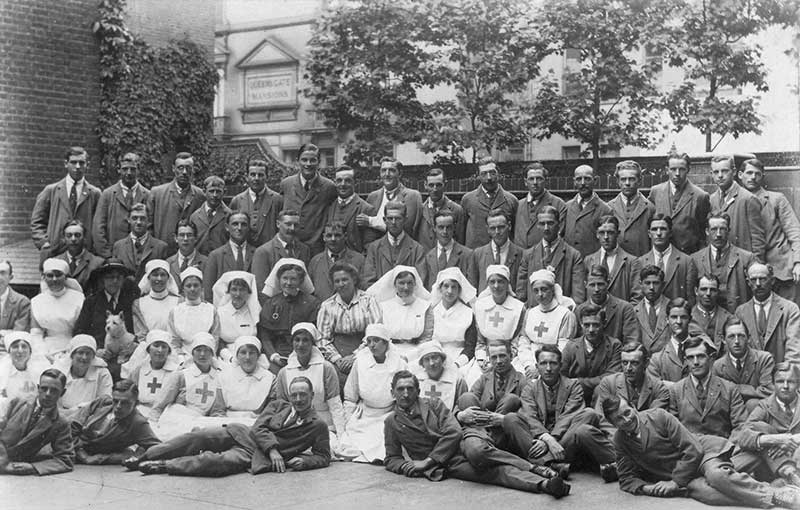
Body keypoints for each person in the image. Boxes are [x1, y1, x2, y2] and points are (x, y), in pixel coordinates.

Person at [383, 370, 571, 498]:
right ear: (393, 392)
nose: (406, 394)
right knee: (493, 474)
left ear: (417, 391)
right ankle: (545, 484)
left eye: (410, 389)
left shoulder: (433, 404)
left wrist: (428, 461)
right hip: (449, 463)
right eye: (400, 389)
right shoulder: (391, 422)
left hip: (463, 440)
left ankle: (533, 467)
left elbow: (453, 431)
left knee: (478, 452)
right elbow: (391, 458)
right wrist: (407, 466)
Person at [603, 396, 799, 508]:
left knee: (716, 475)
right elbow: (626, 477)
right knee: (706, 494)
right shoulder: (619, 441)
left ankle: (776, 496)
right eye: (619, 419)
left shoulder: (658, 416)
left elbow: (692, 449)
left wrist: (674, 482)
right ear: (613, 424)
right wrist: (647, 488)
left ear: (634, 407)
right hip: (687, 477)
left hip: (703, 455)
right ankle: (770, 487)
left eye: (627, 412)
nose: (626, 420)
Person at [128, 376, 330, 477]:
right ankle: (146, 456)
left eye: (303, 394)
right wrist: (274, 448)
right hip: (243, 434)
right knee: (198, 437)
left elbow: (324, 456)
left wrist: (306, 463)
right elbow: (259, 426)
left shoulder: (317, 425)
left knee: (217, 462)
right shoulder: (279, 405)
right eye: (294, 394)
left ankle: (163, 466)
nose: (298, 399)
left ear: (312, 396)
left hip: (256, 455)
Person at [456, 341, 565, 484]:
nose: (499, 361)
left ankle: (486, 448)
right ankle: (485, 442)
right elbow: (463, 405)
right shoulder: (484, 379)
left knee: (511, 400)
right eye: (494, 357)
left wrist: (502, 419)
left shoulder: (523, 381)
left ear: (512, 355)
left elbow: (531, 412)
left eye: (503, 356)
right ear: (489, 358)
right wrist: (460, 415)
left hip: (506, 436)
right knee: (466, 397)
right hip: (482, 433)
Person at [518, 345, 618, 481]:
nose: (548, 368)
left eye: (553, 363)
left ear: (560, 365)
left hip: (564, 441)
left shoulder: (573, 385)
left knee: (589, 413)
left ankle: (546, 463)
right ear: (537, 366)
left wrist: (553, 440)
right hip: (539, 438)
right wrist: (546, 438)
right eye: (543, 363)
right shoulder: (529, 388)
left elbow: (569, 415)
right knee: (512, 419)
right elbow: (530, 416)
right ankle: (552, 464)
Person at [338, 324, 407, 463]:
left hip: (389, 414)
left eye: (376, 340)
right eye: (369, 341)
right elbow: (350, 396)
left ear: (386, 342)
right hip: (365, 414)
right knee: (350, 443)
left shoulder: (399, 363)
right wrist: (348, 420)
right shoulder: (360, 362)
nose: (371, 345)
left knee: (385, 441)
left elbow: (405, 395)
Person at [270, 323, 346, 446]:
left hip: (323, 425)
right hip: (295, 426)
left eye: (305, 340)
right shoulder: (284, 372)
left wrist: (342, 436)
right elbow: (282, 408)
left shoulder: (326, 368)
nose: (300, 345)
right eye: (297, 340)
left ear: (312, 343)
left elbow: (335, 405)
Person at [740, 157, 800, 301]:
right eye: (748, 173)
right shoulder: (737, 202)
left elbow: (794, 232)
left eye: (757, 174)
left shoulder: (776, 199)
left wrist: (798, 262)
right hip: (752, 272)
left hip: (781, 270)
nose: (753, 177)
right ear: (740, 175)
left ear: (762, 176)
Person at [316, 261, 383, 385]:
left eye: (345, 279)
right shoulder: (327, 306)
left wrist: (355, 357)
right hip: (337, 354)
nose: (341, 284)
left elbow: (375, 331)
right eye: (337, 281)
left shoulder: (368, 300)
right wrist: (337, 360)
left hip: (366, 350)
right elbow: (322, 338)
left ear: (354, 279)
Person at [734, 362, 800, 487]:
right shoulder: (764, 405)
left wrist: (794, 439)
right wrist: (776, 440)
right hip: (770, 467)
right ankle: (788, 474)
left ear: (798, 383)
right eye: (780, 381)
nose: (785, 386)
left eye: (790, 382)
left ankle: (785, 482)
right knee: (760, 427)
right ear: (773, 384)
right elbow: (743, 435)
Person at [31, 146, 102, 261]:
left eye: (81, 163)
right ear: (66, 163)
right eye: (73, 162)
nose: (77, 167)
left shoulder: (94, 193)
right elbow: (37, 222)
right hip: (55, 251)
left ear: (87, 165)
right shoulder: (51, 191)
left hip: (84, 254)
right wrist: (44, 243)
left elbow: (100, 224)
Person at [671, 335, 748, 440]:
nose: (696, 362)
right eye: (690, 358)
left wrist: (727, 447)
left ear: (711, 358)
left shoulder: (729, 389)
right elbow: (672, 429)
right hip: (689, 451)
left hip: (722, 450)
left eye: (701, 356)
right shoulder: (676, 390)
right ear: (685, 361)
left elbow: (741, 425)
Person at [0, 368, 74, 475]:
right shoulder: (17, 403)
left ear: (63, 392)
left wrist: (33, 467)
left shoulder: (61, 423)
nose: (48, 394)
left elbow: (66, 459)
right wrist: (3, 461)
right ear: (38, 388)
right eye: (44, 388)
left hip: (16, 467)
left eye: (54, 390)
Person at [70, 379, 160, 465]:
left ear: (136, 403)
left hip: (78, 454)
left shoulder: (138, 423)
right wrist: (83, 456)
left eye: (125, 403)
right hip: (67, 444)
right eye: (115, 401)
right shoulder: (102, 402)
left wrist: (135, 455)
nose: (118, 406)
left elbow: (157, 448)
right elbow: (71, 426)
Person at [258, 259, 320, 373]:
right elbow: (265, 335)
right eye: (285, 278)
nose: (288, 283)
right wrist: (273, 355)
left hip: (305, 352)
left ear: (301, 281)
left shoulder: (311, 303)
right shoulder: (271, 303)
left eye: (293, 279)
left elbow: (314, 335)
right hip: (278, 352)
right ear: (279, 280)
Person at [516, 206, 585, 306]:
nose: (546, 228)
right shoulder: (528, 255)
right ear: (537, 226)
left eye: (550, 223)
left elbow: (578, 297)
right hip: (535, 315)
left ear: (559, 225)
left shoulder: (573, 256)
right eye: (542, 224)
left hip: (562, 314)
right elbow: (521, 294)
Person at [150, 332, 225, 423]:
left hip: (200, 421)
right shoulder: (181, 375)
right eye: (198, 350)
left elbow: (217, 411)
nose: (202, 354)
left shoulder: (218, 378)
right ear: (192, 353)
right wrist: (153, 424)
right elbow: (159, 405)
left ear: (212, 353)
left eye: (206, 350)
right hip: (175, 418)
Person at [735, 263, 800, 365]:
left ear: (772, 281)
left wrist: (783, 376)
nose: (758, 284)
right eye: (753, 280)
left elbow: (794, 353)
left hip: (781, 374)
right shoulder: (741, 312)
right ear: (748, 282)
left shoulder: (790, 310)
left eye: (762, 279)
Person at [648, 151, 711, 255]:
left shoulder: (700, 196)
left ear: (688, 170)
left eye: (681, 169)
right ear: (667, 170)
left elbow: (703, 232)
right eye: (673, 169)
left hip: (688, 255)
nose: (677, 173)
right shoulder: (656, 192)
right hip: (661, 253)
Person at [367, 266, 433, 364]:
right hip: (387, 353)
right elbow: (377, 334)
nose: (406, 287)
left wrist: (409, 356)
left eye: (409, 283)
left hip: (417, 354)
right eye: (401, 283)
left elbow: (426, 338)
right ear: (394, 284)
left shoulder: (425, 306)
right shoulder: (384, 307)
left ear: (415, 284)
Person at [691, 213, 756, 312]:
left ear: (729, 231)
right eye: (714, 229)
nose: (718, 234)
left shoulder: (746, 258)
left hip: (735, 317)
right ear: (707, 231)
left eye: (722, 229)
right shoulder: (695, 259)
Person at [280, 143, 338, 254]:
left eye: (313, 160)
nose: (308, 164)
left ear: (319, 162)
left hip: (316, 249)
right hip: (291, 247)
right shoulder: (286, 184)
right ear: (298, 161)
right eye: (304, 160)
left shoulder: (329, 187)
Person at [561, 304, 623, 406]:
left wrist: (578, 382)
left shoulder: (614, 346)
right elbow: (562, 375)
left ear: (604, 323)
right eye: (586, 325)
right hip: (575, 398)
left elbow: (611, 377)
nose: (591, 330)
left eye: (595, 325)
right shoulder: (571, 346)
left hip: (605, 399)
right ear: (580, 324)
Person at [631, 213, 698, 306]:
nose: (658, 233)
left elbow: (691, 298)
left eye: (663, 229)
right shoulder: (641, 262)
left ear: (670, 233)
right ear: (649, 234)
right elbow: (637, 299)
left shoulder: (686, 262)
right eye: (654, 229)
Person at [709, 154, 766, 263]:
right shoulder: (711, 199)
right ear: (711, 174)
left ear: (734, 172)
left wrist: (755, 266)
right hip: (719, 262)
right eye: (716, 172)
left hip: (742, 262)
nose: (720, 175)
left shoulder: (748, 199)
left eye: (725, 171)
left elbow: (757, 239)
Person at [146, 152, 206, 255]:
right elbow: (148, 227)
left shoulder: (200, 195)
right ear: (173, 168)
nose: (184, 172)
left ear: (193, 169)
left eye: (188, 168)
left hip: (191, 255)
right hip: (163, 253)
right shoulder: (157, 193)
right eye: (180, 168)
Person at [93, 152, 150, 257]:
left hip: (139, 255)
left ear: (139, 171)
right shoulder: (108, 194)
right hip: (113, 254)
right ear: (119, 169)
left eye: (133, 169)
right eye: (125, 169)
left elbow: (151, 227)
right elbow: (98, 228)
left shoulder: (147, 195)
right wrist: (107, 255)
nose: (128, 173)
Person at [712, 317, 774, 413]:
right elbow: (717, 396)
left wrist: (736, 389)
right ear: (723, 340)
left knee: (752, 403)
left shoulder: (764, 359)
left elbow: (768, 391)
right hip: (730, 415)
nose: (736, 341)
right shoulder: (718, 366)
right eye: (731, 336)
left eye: (741, 336)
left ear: (748, 338)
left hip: (758, 414)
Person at [73, 258, 138, 348]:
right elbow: (79, 332)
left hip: (126, 353)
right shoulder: (91, 302)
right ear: (103, 279)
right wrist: (95, 350)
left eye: (119, 277)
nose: (115, 281)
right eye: (110, 277)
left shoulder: (131, 301)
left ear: (123, 279)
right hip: (98, 354)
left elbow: (138, 331)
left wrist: (133, 347)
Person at [519, 269, 577, 368]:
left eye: (544, 289)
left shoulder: (565, 314)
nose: (540, 294)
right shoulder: (530, 313)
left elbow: (564, 347)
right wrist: (528, 364)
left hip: (552, 364)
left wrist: (541, 367)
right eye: (536, 290)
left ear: (553, 290)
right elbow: (524, 341)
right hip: (529, 361)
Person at [472, 265, 525, 373]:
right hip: (486, 356)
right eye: (492, 282)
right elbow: (480, 341)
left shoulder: (518, 308)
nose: (496, 286)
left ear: (507, 283)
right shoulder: (480, 306)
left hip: (511, 357)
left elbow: (516, 341)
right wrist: (482, 360)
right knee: (473, 377)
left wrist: (502, 360)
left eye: (500, 281)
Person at [362, 200, 427, 288]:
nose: (393, 222)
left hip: (408, 298)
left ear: (405, 220)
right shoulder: (374, 248)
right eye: (390, 218)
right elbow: (368, 281)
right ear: (384, 220)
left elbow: (419, 282)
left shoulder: (417, 249)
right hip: (380, 299)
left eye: (398, 218)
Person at [593, 341, 670, 414]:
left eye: (634, 363)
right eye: (625, 363)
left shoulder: (658, 388)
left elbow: (656, 419)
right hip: (614, 428)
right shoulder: (609, 384)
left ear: (646, 363)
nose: (628, 368)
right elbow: (602, 418)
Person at [460, 155, 519, 249]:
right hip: (476, 255)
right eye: (484, 174)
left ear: (499, 174)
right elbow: (461, 232)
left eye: (492, 173)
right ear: (478, 176)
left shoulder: (511, 200)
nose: (489, 178)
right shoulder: (468, 200)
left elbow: (516, 232)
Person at [30, 258, 85, 358]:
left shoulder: (78, 298)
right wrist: (43, 353)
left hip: (72, 347)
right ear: (44, 278)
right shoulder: (36, 301)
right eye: (50, 276)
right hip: (45, 348)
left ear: (65, 277)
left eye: (58, 275)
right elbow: (36, 334)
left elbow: (81, 331)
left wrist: (71, 351)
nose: (54, 279)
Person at [362, 156, 423, 244]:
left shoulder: (412, 196)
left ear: (400, 173)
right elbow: (367, 232)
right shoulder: (372, 197)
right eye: (383, 170)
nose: (387, 174)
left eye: (391, 170)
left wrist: (371, 221)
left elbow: (406, 226)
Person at [574, 264, 640, 344]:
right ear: (585, 285)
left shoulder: (624, 309)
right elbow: (577, 343)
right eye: (592, 285)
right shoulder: (579, 310)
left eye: (600, 284)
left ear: (608, 283)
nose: (596, 289)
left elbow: (631, 340)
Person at [429, 267, 478, 374]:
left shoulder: (468, 313)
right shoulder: (432, 312)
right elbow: (427, 340)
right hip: (434, 356)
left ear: (459, 290)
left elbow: (470, 346)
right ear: (440, 288)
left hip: (461, 358)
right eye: (446, 286)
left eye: (454, 287)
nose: (449, 291)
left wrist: (457, 364)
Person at [252, 208, 311, 295]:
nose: (292, 228)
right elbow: (260, 288)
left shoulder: (304, 249)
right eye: (288, 224)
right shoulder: (263, 251)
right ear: (278, 224)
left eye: (296, 225)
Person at [54, 335, 113, 420]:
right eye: (80, 352)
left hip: (89, 418)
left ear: (93, 356)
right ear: (72, 355)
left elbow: (104, 402)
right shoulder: (60, 371)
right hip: (60, 417)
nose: (84, 357)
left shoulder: (102, 373)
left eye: (88, 353)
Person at [228, 158, 283, 247]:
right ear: (247, 177)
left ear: (267, 177)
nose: (256, 178)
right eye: (253, 175)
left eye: (260, 175)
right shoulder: (237, 200)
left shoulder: (277, 200)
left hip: (269, 252)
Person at [168, 267, 220, 361]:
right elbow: (174, 340)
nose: (192, 289)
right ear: (183, 289)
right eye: (188, 286)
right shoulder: (175, 311)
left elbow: (215, 338)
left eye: (196, 285)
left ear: (202, 288)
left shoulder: (211, 309)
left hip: (207, 356)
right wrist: (181, 358)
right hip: (182, 357)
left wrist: (206, 356)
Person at [202, 211, 256, 301]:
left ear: (248, 227)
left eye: (243, 224)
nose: (239, 228)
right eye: (235, 224)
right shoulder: (215, 256)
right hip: (223, 309)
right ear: (227, 227)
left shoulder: (257, 253)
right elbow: (208, 291)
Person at [120, 330, 179, 412]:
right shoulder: (139, 369)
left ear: (169, 351)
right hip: (140, 410)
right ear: (148, 349)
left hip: (166, 412)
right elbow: (129, 392)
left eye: (164, 347)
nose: (160, 350)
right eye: (156, 346)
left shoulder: (176, 372)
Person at [513, 162, 567, 250]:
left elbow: (560, 236)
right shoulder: (517, 205)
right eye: (531, 179)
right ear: (525, 182)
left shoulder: (558, 204)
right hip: (520, 259)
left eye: (539, 179)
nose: (535, 182)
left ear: (546, 180)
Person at [607, 160, 655, 257]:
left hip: (641, 261)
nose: (627, 183)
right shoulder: (609, 207)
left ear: (639, 180)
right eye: (623, 179)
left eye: (632, 179)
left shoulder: (650, 208)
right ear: (618, 181)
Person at [470, 209, 524, 294]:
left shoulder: (521, 254)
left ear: (509, 226)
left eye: (501, 227)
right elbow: (472, 286)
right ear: (487, 229)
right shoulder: (478, 254)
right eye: (492, 228)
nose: (497, 232)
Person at [307, 222, 365, 301]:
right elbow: (310, 291)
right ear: (324, 237)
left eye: (337, 235)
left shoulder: (359, 260)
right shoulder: (315, 261)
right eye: (329, 235)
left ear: (345, 236)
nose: (333, 239)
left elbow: (363, 288)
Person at [218, 336, 275, 417]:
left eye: (252, 353)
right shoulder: (224, 376)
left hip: (257, 422)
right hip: (227, 421)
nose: (247, 357)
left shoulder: (270, 378)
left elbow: (271, 410)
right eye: (243, 353)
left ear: (258, 356)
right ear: (236, 356)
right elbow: (218, 410)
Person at [563, 164, 613, 257]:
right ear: (574, 182)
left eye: (587, 179)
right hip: (569, 261)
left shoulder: (605, 210)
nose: (582, 183)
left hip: (591, 264)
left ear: (595, 180)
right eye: (579, 179)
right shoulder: (566, 207)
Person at [583, 215, 635, 301]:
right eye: (602, 233)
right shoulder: (588, 260)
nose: (606, 237)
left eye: (610, 232)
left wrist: (626, 313)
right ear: (597, 234)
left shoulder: (631, 262)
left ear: (618, 234)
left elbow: (636, 297)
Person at [212, 271, 261, 363]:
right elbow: (217, 341)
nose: (237, 294)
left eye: (242, 290)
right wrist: (230, 357)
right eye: (234, 289)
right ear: (228, 291)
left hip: (252, 356)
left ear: (249, 292)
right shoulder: (220, 313)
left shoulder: (256, 312)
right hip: (227, 358)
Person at [112, 203, 169, 281]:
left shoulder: (161, 247)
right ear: (128, 219)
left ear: (148, 221)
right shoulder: (118, 246)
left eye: (142, 218)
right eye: (134, 218)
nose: (138, 222)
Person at [326, 165, 375, 253]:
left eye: (347, 180)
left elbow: (369, 246)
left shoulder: (366, 209)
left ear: (355, 182)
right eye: (339, 180)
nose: (343, 184)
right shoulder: (329, 207)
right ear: (335, 183)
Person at [131, 259, 181, 344]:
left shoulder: (179, 302)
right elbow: (141, 334)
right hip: (148, 348)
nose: (159, 278)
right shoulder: (138, 304)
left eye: (163, 275)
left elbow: (179, 331)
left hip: (173, 347)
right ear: (148, 278)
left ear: (168, 278)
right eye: (155, 275)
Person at [423, 209, 474, 290]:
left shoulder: (467, 255)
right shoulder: (428, 256)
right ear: (434, 228)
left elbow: (471, 287)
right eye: (441, 227)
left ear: (454, 228)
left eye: (448, 227)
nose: (445, 231)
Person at [647, 298, 693, 387]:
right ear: (667, 319)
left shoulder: (702, 351)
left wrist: (667, 384)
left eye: (683, 317)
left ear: (690, 319)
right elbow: (653, 387)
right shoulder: (657, 359)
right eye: (674, 317)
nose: (678, 322)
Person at [418, 167, 466, 251]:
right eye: (431, 185)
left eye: (439, 185)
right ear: (425, 185)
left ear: (445, 185)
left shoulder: (456, 210)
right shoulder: (419, 209)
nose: (435, 189)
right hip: (425, 259)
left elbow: (460, 240)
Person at [415, 341, 469, 412]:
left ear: (442, 359)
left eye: (435, 358)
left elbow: (462, 407)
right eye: (427, 360)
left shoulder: (457, 380)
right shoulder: (416, 381)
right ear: (422, 364)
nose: (431, 363)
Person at [0, 332, 49, 403]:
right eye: (15, 347)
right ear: (9, 351)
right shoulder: (2, 371)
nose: (20, 350)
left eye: (24, 346)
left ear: (30, 352)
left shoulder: (40, 370)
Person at [633, 265, 672, 354]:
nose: (651, 287)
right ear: (641, 284)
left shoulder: (673, 308)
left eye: (656, 283)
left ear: (663, 284)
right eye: (647, 283)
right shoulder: (634, 311)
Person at [55, 220, 103, 291]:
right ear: (64, 239)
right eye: (69, 235)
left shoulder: (97, 263)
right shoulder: (55, 262)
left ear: (84, 238)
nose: (73, 239)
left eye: (77, 235)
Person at [189, 175, 231, 256]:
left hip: (222, 261)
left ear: (224, 192)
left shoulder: (230, 215)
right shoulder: (194, 216)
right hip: (200, 262)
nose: (215, 195)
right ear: (204, 192)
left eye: (218, 191)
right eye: (211, 191)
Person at [691, 273, 732, 352]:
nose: (708, 293)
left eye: (713, 290)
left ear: (718, 292)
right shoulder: (688, 317)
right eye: (704, 289)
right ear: (696, 291)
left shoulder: (728, 318)